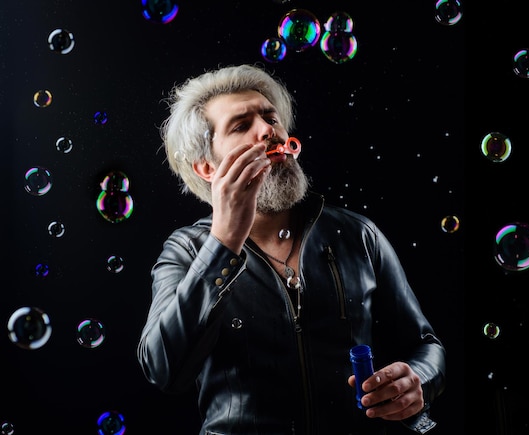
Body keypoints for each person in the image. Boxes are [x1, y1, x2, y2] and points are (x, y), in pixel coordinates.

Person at [136, 63, 446, 435]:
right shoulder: (186, 251)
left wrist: (419, 381)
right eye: (240, 125)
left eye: (271, 117)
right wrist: (223, 242)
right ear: (206, 167)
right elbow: (163, 369)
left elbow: (426, 346)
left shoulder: (357, 234)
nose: (268, 130)